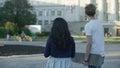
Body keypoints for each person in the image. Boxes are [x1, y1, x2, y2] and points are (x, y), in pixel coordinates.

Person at [83, 4, 105, 68]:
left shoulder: (88, 25)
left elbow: (89, 43)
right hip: (101, 54)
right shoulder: (100, 24)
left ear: (85, 13)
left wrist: (86, 59)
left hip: (93, 55)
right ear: (95, 13)